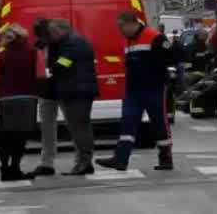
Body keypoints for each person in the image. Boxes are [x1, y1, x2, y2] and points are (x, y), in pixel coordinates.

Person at [98, 12, 180, 171]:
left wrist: (154, 72)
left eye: (121, 27)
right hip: (133, 90)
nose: (120, 31)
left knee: (159, 123)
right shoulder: (129, 40)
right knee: (127, 123)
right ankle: (121, 159)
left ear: (131, 23)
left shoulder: (154, 36)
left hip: (153, 87)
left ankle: (166, 159)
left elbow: (170, 57)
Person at [46, 18, 98, 175]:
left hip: (77, 91)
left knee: (79, 128)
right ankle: (84, 161)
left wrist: (52, 68)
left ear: (60, 31)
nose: (50, 36)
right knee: (80, 126)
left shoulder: (73, 43)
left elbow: (63, 64)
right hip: (77, 90)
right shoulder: (71, 41)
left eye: (52, 33)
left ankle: (84, 162)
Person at [0, 24, 39, 181]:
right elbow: (40, 75)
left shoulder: (2, 55)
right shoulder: (34, 53)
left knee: (6, 135)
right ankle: (15, 168)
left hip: (6, 99)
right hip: (27, 99)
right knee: (21, 136)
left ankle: (5, 169)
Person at [27, 18, 58, 177]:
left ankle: (82, 161)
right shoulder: (39, 46)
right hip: (47, 89)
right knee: (47, 128)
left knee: (74, 126)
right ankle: (47, 163)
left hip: (59, 86)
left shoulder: (58, 44)